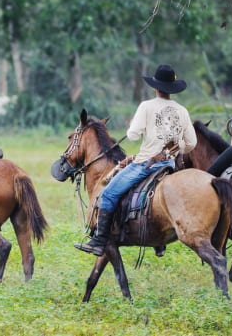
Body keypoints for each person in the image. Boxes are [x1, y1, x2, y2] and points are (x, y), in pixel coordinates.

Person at [74, 64, 197, 256]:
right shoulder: (182, 110)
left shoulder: (146, 106)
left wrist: (133, 125)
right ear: (172, 88)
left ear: (155, 87)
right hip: (169, 166)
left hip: (146, 164)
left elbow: (132, 136)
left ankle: (99, 241)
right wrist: (174, 148)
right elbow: (191, 143)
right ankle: (158, 239)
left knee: (107, 195)